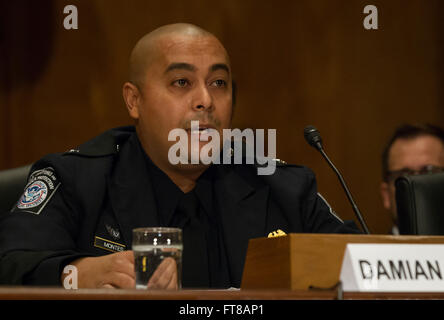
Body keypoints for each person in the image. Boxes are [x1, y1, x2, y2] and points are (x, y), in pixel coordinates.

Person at [0, 23, 359, 289]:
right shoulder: (77, 179)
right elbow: (11, 263)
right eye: (182, 83)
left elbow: (360, 264)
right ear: (134, 100)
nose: (205, 99)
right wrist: (76, 274)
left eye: (219, 83)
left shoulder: (280, 186)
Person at [380, 124, 444, 234]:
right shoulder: (370, 251)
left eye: (428, 172)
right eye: (404, 176)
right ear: (386, 195)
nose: (415, 186)